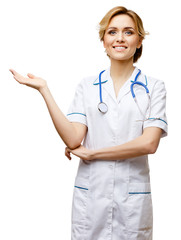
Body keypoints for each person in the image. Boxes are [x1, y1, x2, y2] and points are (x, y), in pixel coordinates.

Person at [10, 6, 168, 240]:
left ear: (139, 40)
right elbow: (74, 138)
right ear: (103, 41)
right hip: (91, 196)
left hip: (132, 198)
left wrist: (94, 154)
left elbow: (149, 143)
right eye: (112, 32)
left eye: (128, 32)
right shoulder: (87, 86)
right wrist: (44, 90)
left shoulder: (154, 87)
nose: (120, 38)